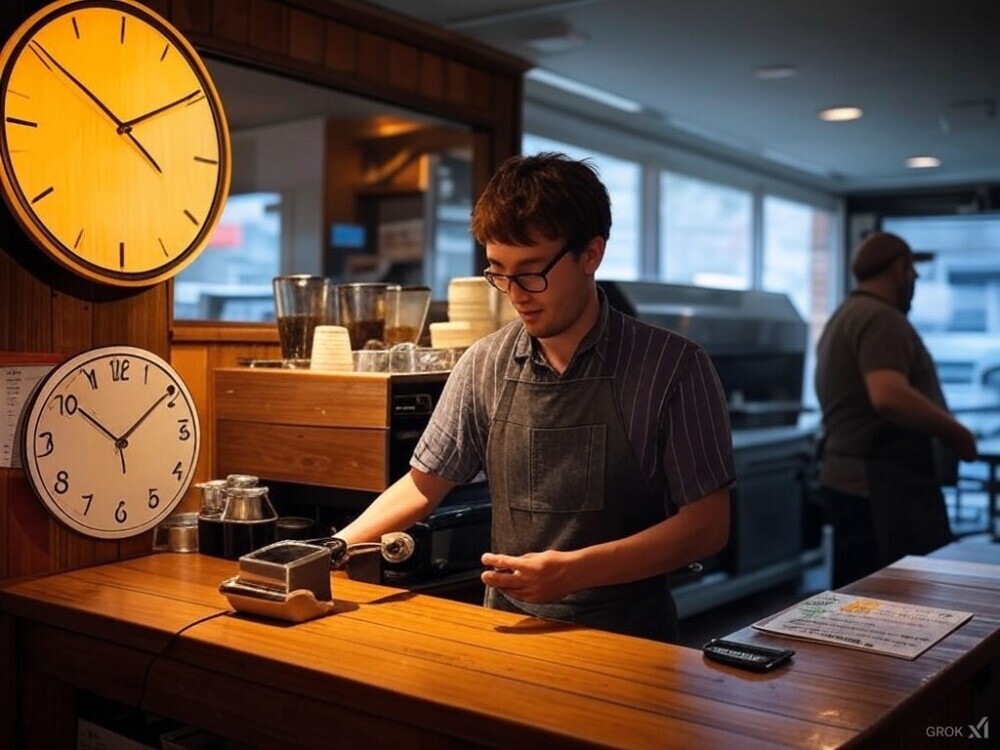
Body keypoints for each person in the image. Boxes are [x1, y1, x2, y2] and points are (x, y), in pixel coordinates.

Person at [335, 152, 734, 643]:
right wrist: (334, 547)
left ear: (591, 254)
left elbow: (707, 527)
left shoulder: (673, 367)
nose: (515, 293)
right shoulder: (484, 364)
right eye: (499, 272)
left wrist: (573, 572)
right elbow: (422, 486)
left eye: (531, 272)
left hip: (631, 639)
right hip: (507, 630)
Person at [814, 231, 978, 587]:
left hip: (853, 481)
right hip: (880, 488)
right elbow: (887, 395)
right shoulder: (881, 319)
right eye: (912, 269)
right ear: (899, 268)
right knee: (898, 598)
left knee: (859, 597)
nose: (917, 278)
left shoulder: (847, 314)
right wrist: (955, 431)